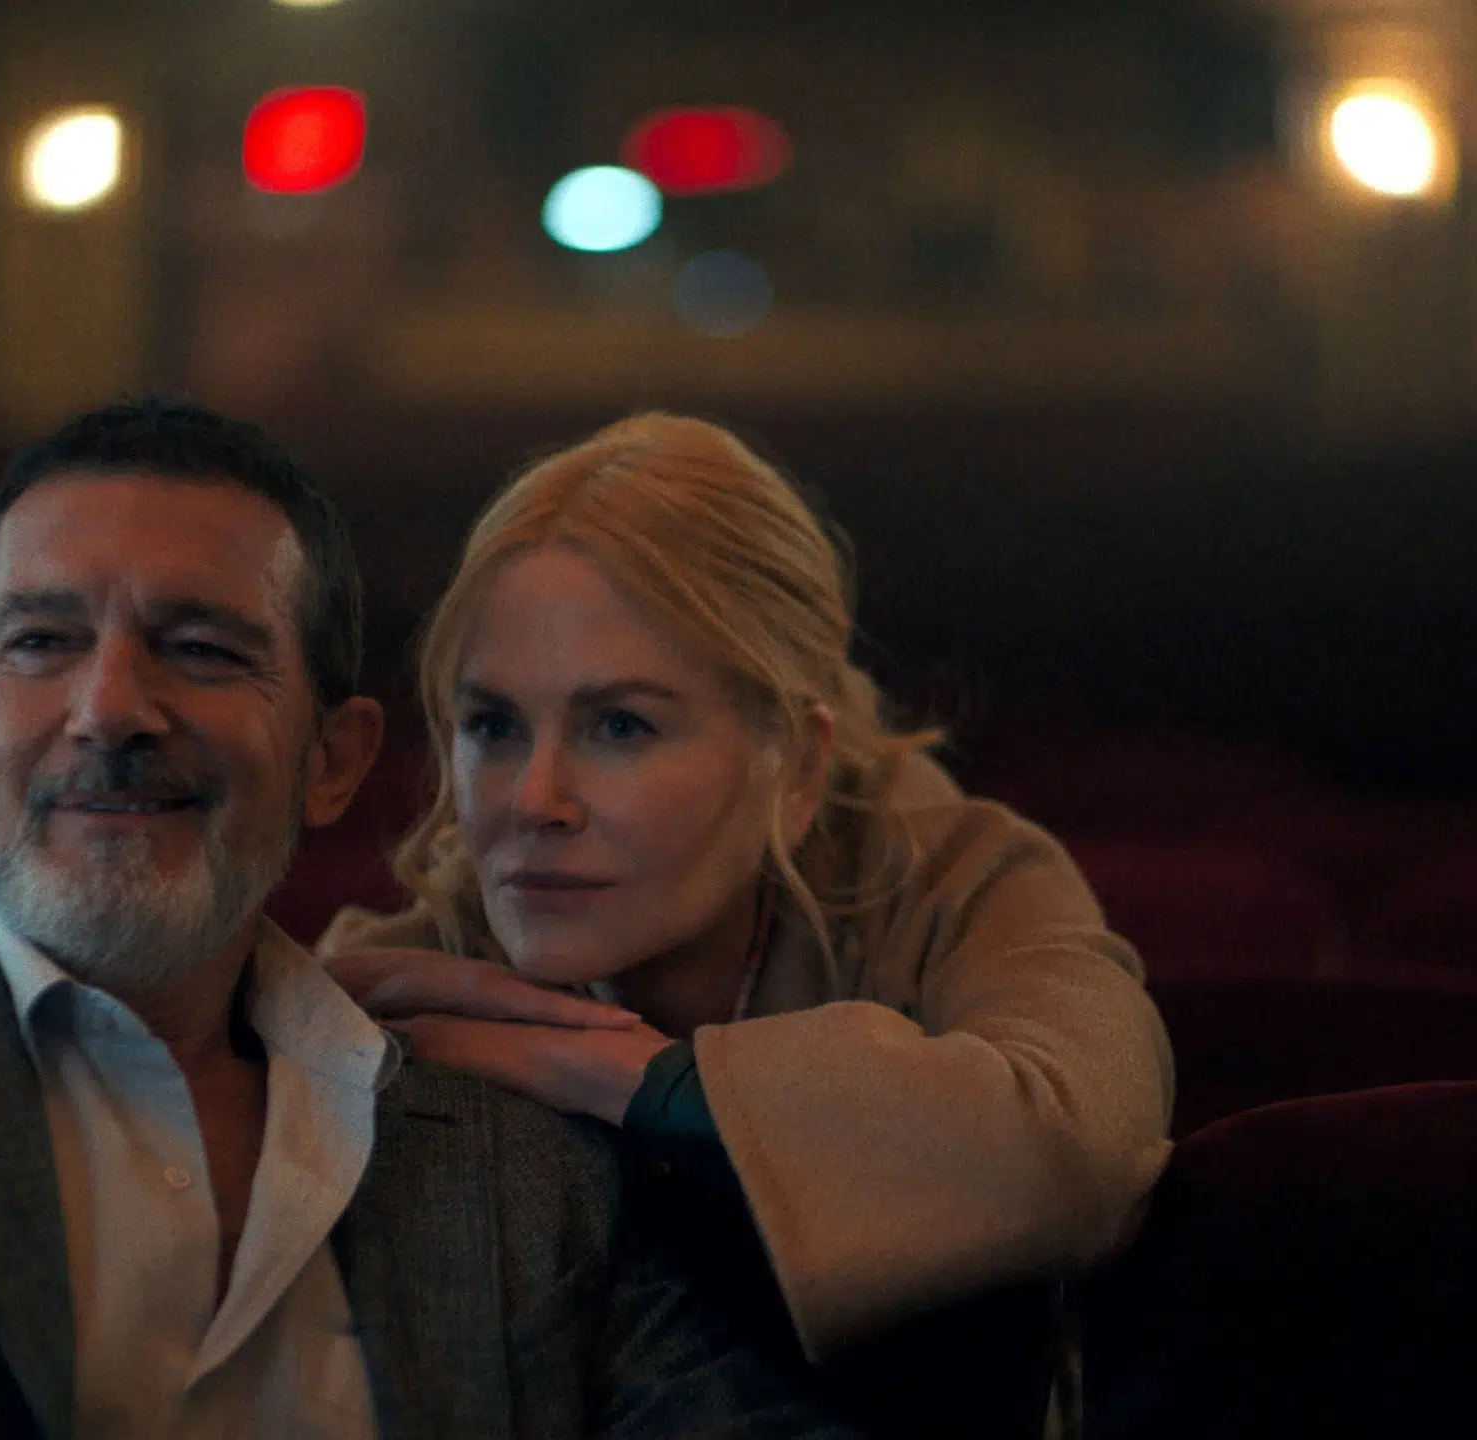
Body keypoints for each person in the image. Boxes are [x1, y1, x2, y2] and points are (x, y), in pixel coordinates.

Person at [0, 398, 856, 1440]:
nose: (108, 710)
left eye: (200, 649)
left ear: (335, 759)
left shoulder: (524, 1159)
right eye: (42, 641)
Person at [320, 413, 1177, 1431]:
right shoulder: (410, 975)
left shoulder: (959, 878)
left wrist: (630, 1077)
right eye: (493, 725)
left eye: (620, 725)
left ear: (798, 763)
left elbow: (1079, 1144)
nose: (534, 798)